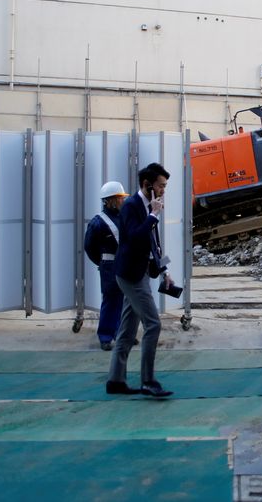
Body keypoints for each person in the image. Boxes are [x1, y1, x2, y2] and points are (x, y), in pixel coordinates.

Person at [106, 162, 175, 397]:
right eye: (161, 186)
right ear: (148, 185)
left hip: (141, 272)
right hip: (131, 275)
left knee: (127, 329)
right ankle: (148, 380)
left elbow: (154, 243)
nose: (164, 190)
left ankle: (116, 380)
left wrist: (165, 270)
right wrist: (153, 215)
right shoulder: (131, 207)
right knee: (153, 324)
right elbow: (134, 238)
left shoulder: (149, 206)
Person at [84, 181, 128, 351]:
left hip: (123, 264)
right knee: (111, 301)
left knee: (125, 302)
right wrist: (101, 263)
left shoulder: (123, 217)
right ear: (112, 200)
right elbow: (89, 247)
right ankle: (105, 337)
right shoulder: (98, 222)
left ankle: (122, 334)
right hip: (110, 267)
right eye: (120, 198)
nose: (123, 201)